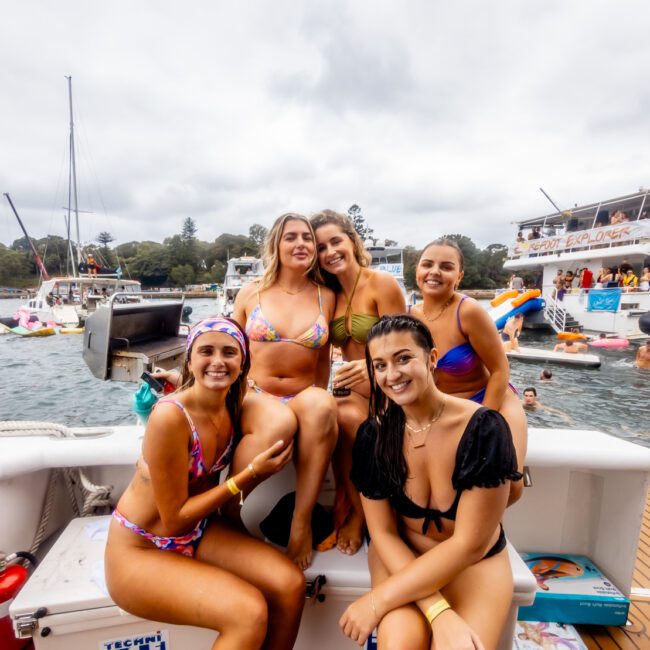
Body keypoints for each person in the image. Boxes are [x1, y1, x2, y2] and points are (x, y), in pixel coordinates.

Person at [105, 318, 305, 650]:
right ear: (190, 360)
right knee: (248, 612)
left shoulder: (231, 405)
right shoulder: (171, 417)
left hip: (197, 532)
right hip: (141, 548)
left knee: (290, 584)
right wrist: (247, 475)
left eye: (229, 352)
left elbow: (282, 410)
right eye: (206, 351)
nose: (217, 362)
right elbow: (174, 518)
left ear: (243, 364)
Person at [339, 315, 521, 649]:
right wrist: (438, 611)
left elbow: (469, 543)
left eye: (403, 358)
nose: (392, 375)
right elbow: (383, 533)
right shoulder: (374, 436)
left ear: (432, 359)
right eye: (379, 365)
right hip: (400, 555)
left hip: (474, 563)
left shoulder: (483, 429)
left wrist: (378, 602)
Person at [233, 212, 338, 569]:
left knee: (323, 407)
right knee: (278, 420)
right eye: (291, 237)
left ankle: (300, 521)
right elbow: (231, 347)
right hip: (256, 393)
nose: (301, 244)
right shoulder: (252, 293)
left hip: (303, 391)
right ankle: (228, 511)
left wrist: (316, 397)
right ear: (276, 244)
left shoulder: (327, 296)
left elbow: (324, 359)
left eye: (307, 238)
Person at [311, 209, 406, 556]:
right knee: (328, 412)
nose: (330, 251)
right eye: (321, 247)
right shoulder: (329, 293)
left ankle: (360, 514)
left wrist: (371, 371)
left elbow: (405, 348)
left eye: (336, 241)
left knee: (346, 415)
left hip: (388, 384)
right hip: (349, 386)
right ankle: (348, 502)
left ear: (352, 241)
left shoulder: (381, 284)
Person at [410, 239, 526, 505]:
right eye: (427, 264)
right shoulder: (409, 317)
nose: (434, 271)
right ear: (417, 270)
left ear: (459, 276)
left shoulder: (469, 311)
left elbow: (499, 370)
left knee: (511, 484)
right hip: (446, 409)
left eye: (446, 266)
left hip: (489, 399)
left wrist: (482, 421)